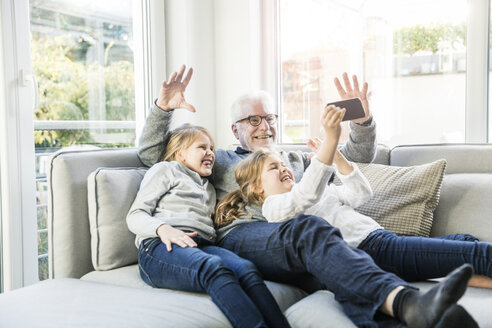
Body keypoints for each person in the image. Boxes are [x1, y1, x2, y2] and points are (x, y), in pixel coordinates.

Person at [214, 105, 479, 327]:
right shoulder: (275, 205)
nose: (284, 169)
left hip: (371, 242)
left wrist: (337, 154)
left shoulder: (314, 185)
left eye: (270, 118)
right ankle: (414, 304)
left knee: (466, 241)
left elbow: (359, 193)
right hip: (371, 245)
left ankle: (432, 309)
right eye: (275, 167)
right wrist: (329, 143)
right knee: (475, 254)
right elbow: (306, 193)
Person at [127, 124, 291, 328]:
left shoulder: (209, 186)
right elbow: (135, 215)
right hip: (159, 247)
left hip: (201, 245)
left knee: (247, 269)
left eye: (212, 148)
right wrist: (163, 229)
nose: (210, 153)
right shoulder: (166, 170)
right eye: (202, 147)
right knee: (215, 268)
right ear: (180, 154)